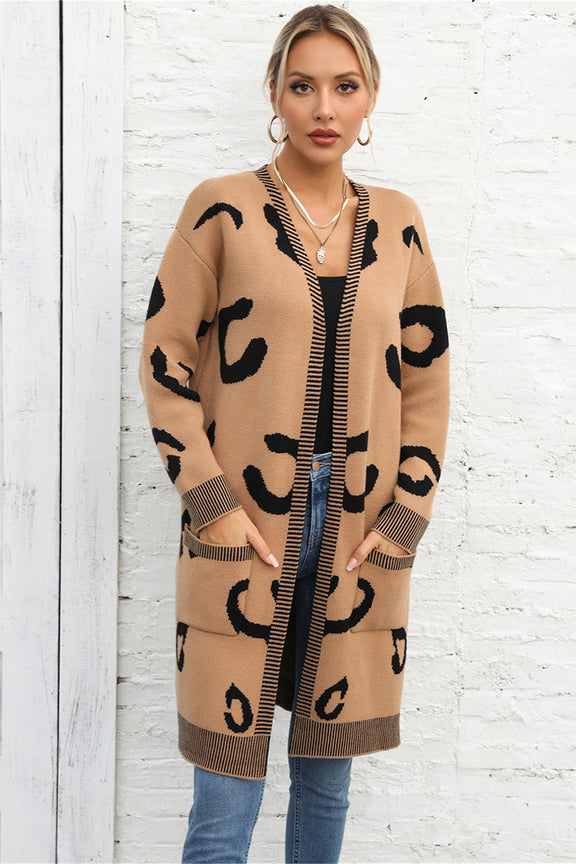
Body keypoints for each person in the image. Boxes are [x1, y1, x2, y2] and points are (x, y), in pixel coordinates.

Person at [138, 4, 450, 862]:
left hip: (357, 534)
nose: (323, 108)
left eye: (344, 87)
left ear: (370, 96)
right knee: (223, 803)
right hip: (243, 528)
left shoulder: (400, 224)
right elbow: (165, 364)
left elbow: (426, 385)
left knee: (327, 785)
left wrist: (404, 518)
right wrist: (212, 505)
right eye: (303, 85)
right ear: (274, 94)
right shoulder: (219, 211)